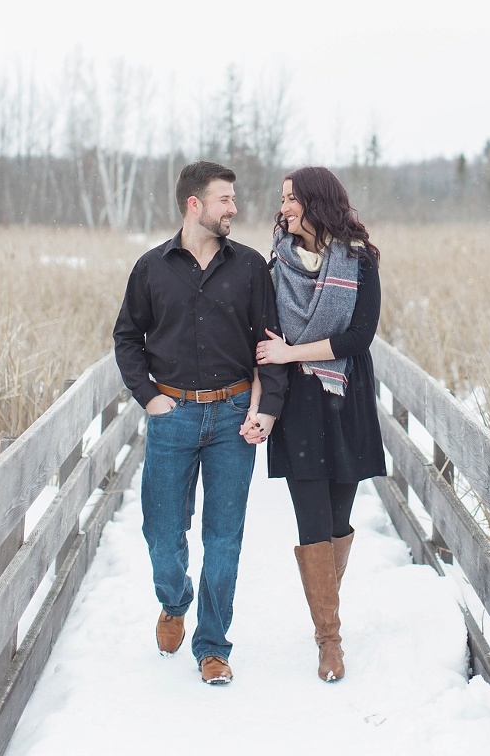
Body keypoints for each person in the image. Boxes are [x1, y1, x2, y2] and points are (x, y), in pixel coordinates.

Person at [113, 161, 287, 686]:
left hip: (234, 416)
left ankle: (212, 644)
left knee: (224, 538)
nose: (234, 208)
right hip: (172, 416)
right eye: (225, 199)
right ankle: (174, 600)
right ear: (195, 204)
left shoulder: (252, 267)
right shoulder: (151, 268)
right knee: (161, 533)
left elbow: (271, 345)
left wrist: (266, 408)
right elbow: (127, 338)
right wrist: (148, 398)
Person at [254, 166, 386, 682]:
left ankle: (325, 611)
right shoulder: (275, 266)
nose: (283, 207)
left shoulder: (359, 262)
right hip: (302, 407)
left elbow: (359, 337)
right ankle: (329, 641)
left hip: (346, 397)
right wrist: (262, 401)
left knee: (336, 522)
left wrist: (292, 351)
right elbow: (263, 346)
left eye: (291, 199)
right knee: (312, 522)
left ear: (315, 202)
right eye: (283, 199)